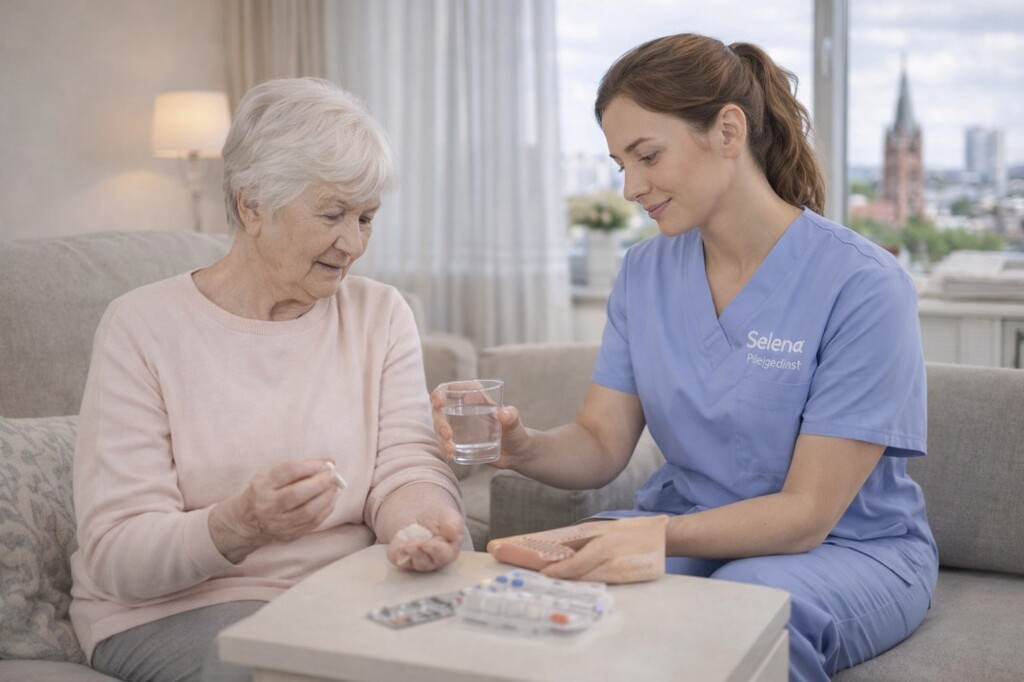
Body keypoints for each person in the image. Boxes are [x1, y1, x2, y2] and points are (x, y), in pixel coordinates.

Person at [433, 34, 936, 682]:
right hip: (687, 528)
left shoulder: (863, 285)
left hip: (847, 547)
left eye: (646, 156)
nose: (629, 187)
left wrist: (657, 537)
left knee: (738, 607)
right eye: (619, 163)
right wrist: (520, 446)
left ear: (728, 130)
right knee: (540, 598)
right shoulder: (643, 273)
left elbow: (807, 513)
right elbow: (599, 444)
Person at [70, 77, 466, 682]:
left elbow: (405, 466)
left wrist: (424, 522)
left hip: (340, 593)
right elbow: (118, 553)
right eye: (332, 214)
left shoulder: (380, 314)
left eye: (366, 217)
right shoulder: (142, 326)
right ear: (252, 204)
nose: (353, 243)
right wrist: (240, 523)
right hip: (177, 608)